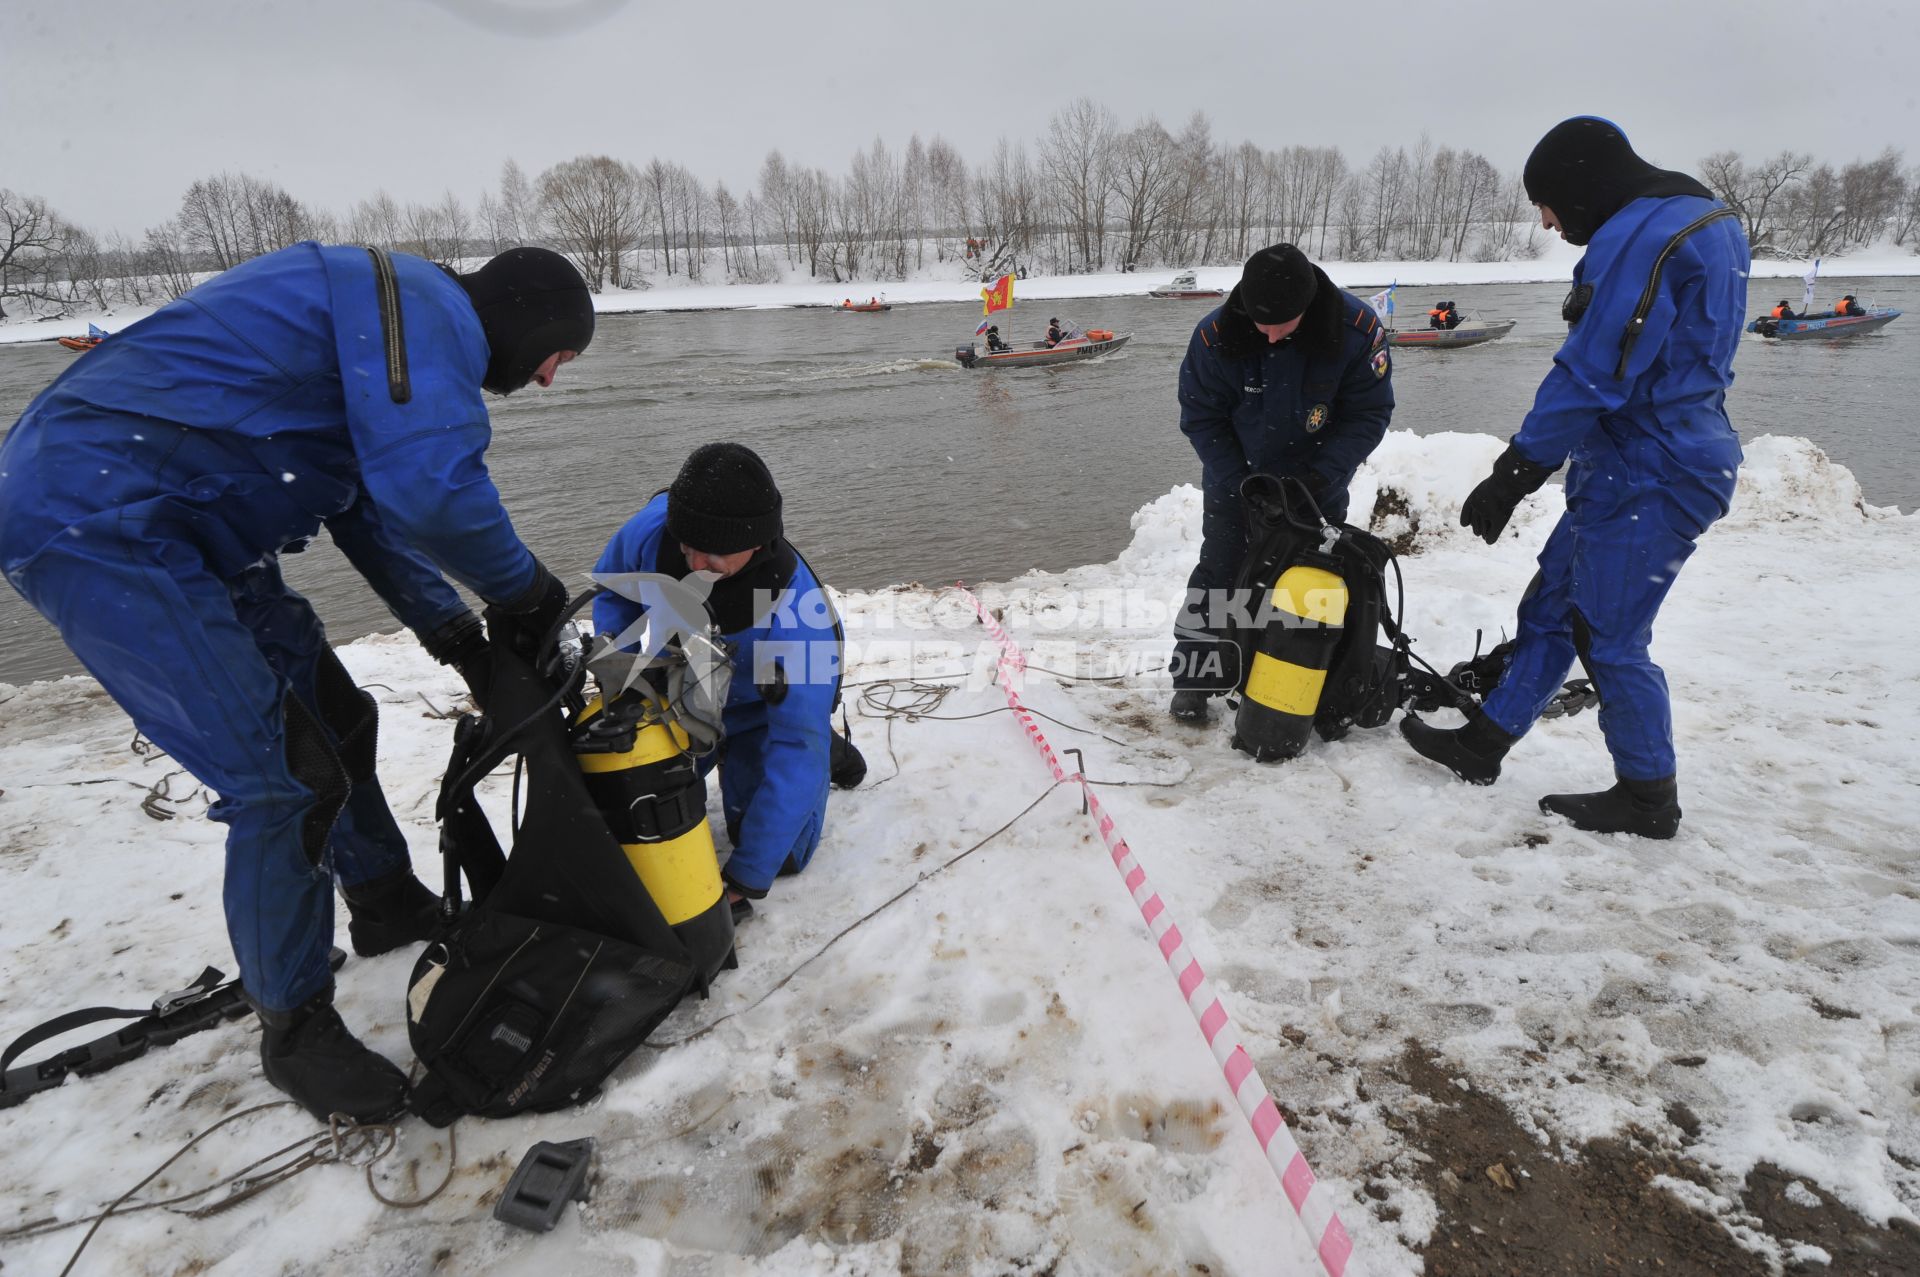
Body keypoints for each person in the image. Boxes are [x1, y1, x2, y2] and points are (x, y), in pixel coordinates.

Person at [0, 242, 595, 1122]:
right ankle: (296, 1030)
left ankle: (385, 900)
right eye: (559, 355)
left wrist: (457, 637)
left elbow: (365, 504)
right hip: (102, 520)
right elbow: (432, 493)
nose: (549, 378)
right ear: (528, 319)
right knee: (280, 780)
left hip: (185, 514)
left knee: (337, 718)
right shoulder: (424, 314)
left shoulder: (382, 321)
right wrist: (529, 592)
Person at [1400, 116, 1748, 840]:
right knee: (1554, 602)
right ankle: (1483, 744)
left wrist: (1517, 468)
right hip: (1634, 461)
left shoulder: (1640, 237)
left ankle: (1647, 797)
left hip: (1655, 467)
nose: (1546, 221)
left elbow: (1593, 370)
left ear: (1582, 187)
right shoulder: (1706, 219)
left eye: (1547, 203)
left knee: (1608, 635)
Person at [593, 444, 859, 920]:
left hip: (758, 708)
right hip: (684, 695)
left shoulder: (800, 620)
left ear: (756, 543)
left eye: (716, 553)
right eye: (688, 546)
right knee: (652, 818)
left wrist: (745, 877)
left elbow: (797, 751)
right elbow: (614, 599)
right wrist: (629, 680)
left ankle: (824, 738)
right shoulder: (651, 533)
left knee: (783, 857)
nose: (697, 564)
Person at [1168, 243, 1395, 721]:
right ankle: (1196, 678)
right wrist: (1242, 483)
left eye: (1282, 324)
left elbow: (1368, 414)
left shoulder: (1357, 331)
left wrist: (1317, 477)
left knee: (1309, 583)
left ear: (1307, 308)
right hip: (1238, 483)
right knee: (1220, 575)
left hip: (1317, 485)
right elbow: (1202, 418)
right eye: (1259, 323)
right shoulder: (1214, 337)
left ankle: (1301, 673)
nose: (1269, 336)